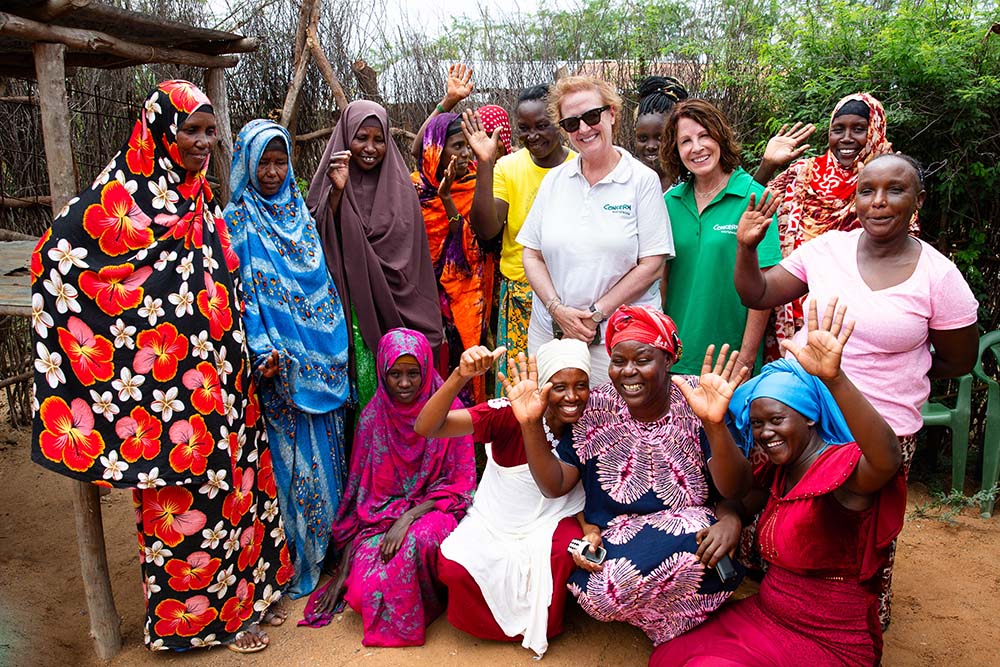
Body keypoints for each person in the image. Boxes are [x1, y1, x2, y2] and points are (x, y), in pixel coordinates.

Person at [29, 80, 290, 653]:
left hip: (225, 373)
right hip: (169, 386)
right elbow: (56, 257)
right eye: (190, 130)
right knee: (187, 500)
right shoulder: (125, 196)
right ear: (160, 130)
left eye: (207, 129)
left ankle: (249, 599)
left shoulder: (197, 195)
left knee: (241, 485)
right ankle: (200, 623)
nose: (202, 140)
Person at [734, 153, 979, 627]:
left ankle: (857, 619)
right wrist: (746, 249)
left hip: (879, 426)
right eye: (867, 190)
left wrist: (895, 375)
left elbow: (958, 359)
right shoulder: (827, 251)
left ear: (917, 201)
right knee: (785, 509)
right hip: (805, 414)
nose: (879, 202)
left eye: (895, 190)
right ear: (856, 197)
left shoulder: (940, 276)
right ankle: (778, 594)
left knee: (860, 532)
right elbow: (757, 294)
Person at [651, 300, 906, 667]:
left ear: (809, 418)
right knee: (668, 656)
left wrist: (835, 379)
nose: (765, 432)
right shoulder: (780, 472)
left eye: (776, 419)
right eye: (757, 424)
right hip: (769, 615)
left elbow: (887, 459)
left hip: (829, 638)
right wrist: (714, 428)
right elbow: (735, 496)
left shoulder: (842, 470)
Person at [505, 304, 752, 645]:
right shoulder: (597, 407)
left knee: (699, 540)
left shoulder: (698, 396)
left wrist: (713, 424)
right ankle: (680, 615)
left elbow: (735, 487)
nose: (628, 372)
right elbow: (555, 484)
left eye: (643, 360)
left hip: (694, 527)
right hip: (619, 538)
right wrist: (530, 425)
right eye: (618, 361)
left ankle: (681, 623)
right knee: (597, 593)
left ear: (668, 358)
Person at [224, 119, 350, 599]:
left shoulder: (300, 211)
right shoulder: (237, 220)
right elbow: (241, 295)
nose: (273, 172)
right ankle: (299, 560)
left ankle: (331, 554)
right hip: (280, 367)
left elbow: (320, 281)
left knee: (330, 461)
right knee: (293, 468)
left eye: (281, 162)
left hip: (325, 359)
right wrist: (260, 352)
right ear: (247, 165)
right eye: (264, 163)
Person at [414, 339, 590, 657]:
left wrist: (588, 528)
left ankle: (542, 621)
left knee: (561, 554)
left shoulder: (587, 429)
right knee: (454, 565)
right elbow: (428, 427)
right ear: (542, 384)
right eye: (559, 386)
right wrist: (460, 376)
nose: (572, 396)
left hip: (549, 519)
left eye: (581, 385)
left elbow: (561, 490)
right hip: (495, 521)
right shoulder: (504, 415)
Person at [301, 328, 476, 647]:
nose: (405, 383)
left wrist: (408, 519)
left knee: (414, 545)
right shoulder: (372, 419)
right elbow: (362, 496)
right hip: (381, 518)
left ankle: (420, 615)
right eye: (395, 374)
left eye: (413, 373)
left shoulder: (452, 414)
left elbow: (460, 488)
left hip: (437, 510)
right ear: (382, 372)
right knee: (362, 590)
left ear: (426, 369)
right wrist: (346, 564)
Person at [517, 76, 673, 385]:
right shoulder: (555, 181)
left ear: (612, 113)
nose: (584, 129)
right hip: (552, 332)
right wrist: (557, 310)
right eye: (572, 123)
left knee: (612, 426)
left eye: (591, 116)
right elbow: (531, 254)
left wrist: (595, 314)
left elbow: (652, 264)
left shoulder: (641, 181)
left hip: (618, 340)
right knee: (551, 422)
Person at [753, 93, 917, 354]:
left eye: (859, 129)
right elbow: (749, 210)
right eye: (838, 129)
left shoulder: (893, 183)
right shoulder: (803, 173)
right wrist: (767, 165)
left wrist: (872, 181)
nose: (847, 138)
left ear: (876, 131)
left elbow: (905, 247)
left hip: (857, 324)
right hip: (787, 315)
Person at [307, 101, 442, 409]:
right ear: (345, 139)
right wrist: (337, 193)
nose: (370, 147)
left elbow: (410, 261)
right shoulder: (327, 186)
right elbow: (316, 241)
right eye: (361, 138)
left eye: (378, 139)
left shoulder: (402, 191)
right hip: (349, 310)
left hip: (398, 312)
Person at [464, 85, 577, 393]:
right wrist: (485, 163)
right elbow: (486, 229)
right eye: (524, 129)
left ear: (559, 123)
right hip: (520, 298)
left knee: (566, 389)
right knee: (520, 389)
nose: (533, 136)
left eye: (542, 125)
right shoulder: (508, 167)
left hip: (571, 297)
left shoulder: (580, 167)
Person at [659, 98, 782, 377]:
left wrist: (747, 360)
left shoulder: (754, 197)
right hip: (676, 358)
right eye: (686, 141)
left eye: (705, 136)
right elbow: (663, 282)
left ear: (721, 137)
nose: (697, 147)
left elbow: (767, 286)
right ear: (676, 151)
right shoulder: (669, 203)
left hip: (730, 362)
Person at [412, 113, 494, 404]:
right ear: (436, 151)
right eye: (457, 146)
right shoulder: (415, 191)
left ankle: (468, 441)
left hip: (467, 298)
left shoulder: (475, 185)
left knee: (467, 370)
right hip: (425, 300)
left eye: (467, 147)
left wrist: (448, 199)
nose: (464, 154)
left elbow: (469, 248)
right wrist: (447, 102)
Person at [633, 75, 688, 192]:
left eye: (660, 137)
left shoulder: (691, 187)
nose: (651, 146)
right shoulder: (628, 185)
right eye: (643, 138)